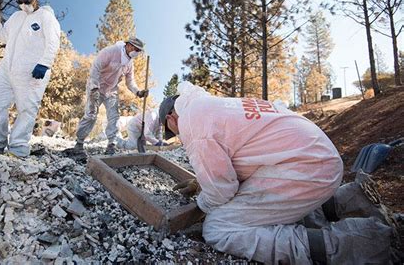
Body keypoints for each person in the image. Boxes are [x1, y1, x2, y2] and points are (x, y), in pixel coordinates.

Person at [160, 81, 396, 264]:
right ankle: (352, 199)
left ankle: (356, 242)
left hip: (306, 168)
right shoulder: (212, 105)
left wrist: (202, 203)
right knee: (264, 205)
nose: (178, 138)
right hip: (318, 159)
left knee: (219, 227)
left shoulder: (191, 121)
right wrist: (202, 181)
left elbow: (222, 192)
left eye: (173, 132)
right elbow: (242, 157)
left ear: (171, 117)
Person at [0, 0, 61, 157]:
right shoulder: (16, 17)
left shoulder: (46, 16)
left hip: (32, 71)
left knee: (26, 108)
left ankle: (18, 147)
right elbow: (3, 36)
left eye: (26, 0)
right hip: (7, 69)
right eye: (20, 1)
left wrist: (44, 63)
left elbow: (53, 41)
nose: (24, 4)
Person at [73, 37, 148, 155]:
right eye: (136, 49)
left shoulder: (129, 64)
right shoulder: (110, 51)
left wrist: (138, 92)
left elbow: (130, 81)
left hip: (111, 90)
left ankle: (111, 144)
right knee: (91, 115)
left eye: (139, 51)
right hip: (96, 86)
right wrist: (94, 88)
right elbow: (95, 68)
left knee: (114, 117)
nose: (137, 53)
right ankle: (79, 143)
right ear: (128, 45)